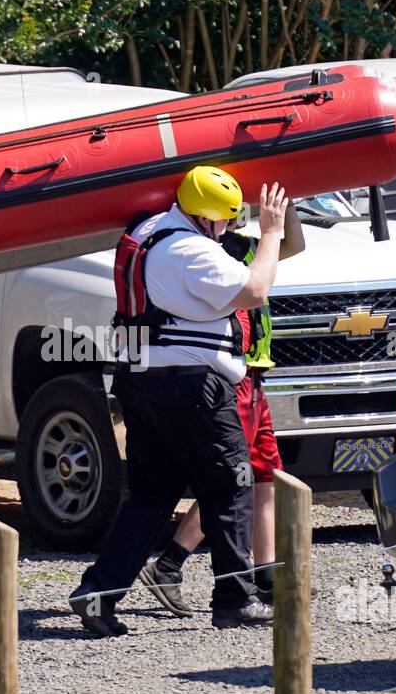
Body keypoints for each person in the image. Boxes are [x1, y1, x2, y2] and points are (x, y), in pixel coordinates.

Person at [70, 166, 289, 636]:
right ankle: (235, 599)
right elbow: (254, 290)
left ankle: (98, 593)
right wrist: (271, 233)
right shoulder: (190, 249)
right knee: (230, 489)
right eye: (225, 221)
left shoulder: (149, 230)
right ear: (206, 218)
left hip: (143, 383)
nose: (229, 229)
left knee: (150, 495)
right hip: (193, 388)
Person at [138, 202, 306, 614]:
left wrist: (291, 203)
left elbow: (294, 245)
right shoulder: (215, 251)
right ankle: (170, 564)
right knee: (233, 477)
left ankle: (266, 573)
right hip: (236, 376)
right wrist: (268, 229)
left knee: (264, 473)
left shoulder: (250, 246)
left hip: (257, 371)